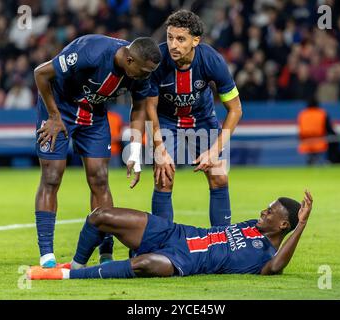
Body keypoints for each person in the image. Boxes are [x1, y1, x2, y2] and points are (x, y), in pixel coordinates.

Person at [33, 34, 161, 268]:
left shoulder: (141, 72)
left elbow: (140, 106)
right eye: (143, 71)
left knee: (100, 178)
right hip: (59, 110)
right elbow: (41, 73)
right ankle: (47, 255)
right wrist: (53, 116)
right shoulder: (91, 52)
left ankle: (106, 251)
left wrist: (133, 150)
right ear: (130, 61)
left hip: (94, 114)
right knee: (51, 177)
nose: (146, 77)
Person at [27, 190, 313, 280]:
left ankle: (65, 276)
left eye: (271, 211)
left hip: (184, 261)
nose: (264, 211)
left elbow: (277, 265)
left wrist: (301, 225)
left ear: (284, 226)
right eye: (267, 207)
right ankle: (77, 264)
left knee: (145, 264)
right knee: (100, 215)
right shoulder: (255, 224)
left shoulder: (265, 257)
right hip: (175, 232)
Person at [142, 10, 243, 227]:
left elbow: (235, 109)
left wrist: (214, 150)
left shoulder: (212, 60)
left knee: (219, 176)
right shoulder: (157, 62)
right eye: (170, 37)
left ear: (195, 40)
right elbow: (149, 108)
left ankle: (222, 242)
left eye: (181, 39)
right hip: (166, 121)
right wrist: (159, 149)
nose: (173, 45)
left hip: (202, 120)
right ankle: (161, 244)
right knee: (163, 178)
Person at [297, 97, 337, 165]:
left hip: (306, 143)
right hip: (319, 143)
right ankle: (330, 161)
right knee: (334, 140)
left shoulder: (302, 114)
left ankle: (311, 161)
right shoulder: (322, 113)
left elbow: (300, 131)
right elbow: (329, 129)